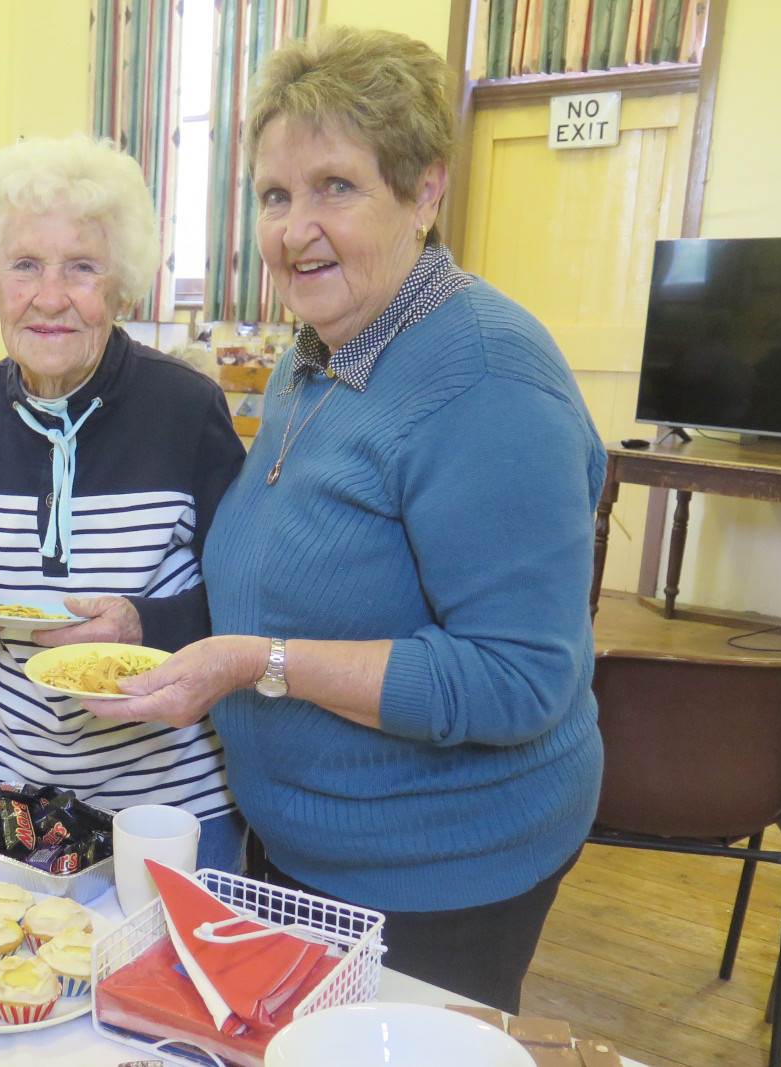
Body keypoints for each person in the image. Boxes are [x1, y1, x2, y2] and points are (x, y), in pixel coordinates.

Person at [86, 27, 605, 1012]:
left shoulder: (485, 376)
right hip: (300, 850)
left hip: (440, 876)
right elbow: (285, 570)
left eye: (336, 186)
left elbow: (517, 676)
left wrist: (258, 663)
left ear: (423, 192)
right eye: (276, 196)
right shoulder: (318, 350)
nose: (294, 229)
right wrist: (153, 629)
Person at [0, 135, 248, 870]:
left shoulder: (188, 409)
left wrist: (143, 623)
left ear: (122, 286)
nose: (50, 296)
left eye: (82, 268)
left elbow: (243, 603)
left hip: (164, 805)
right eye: (26, 265)